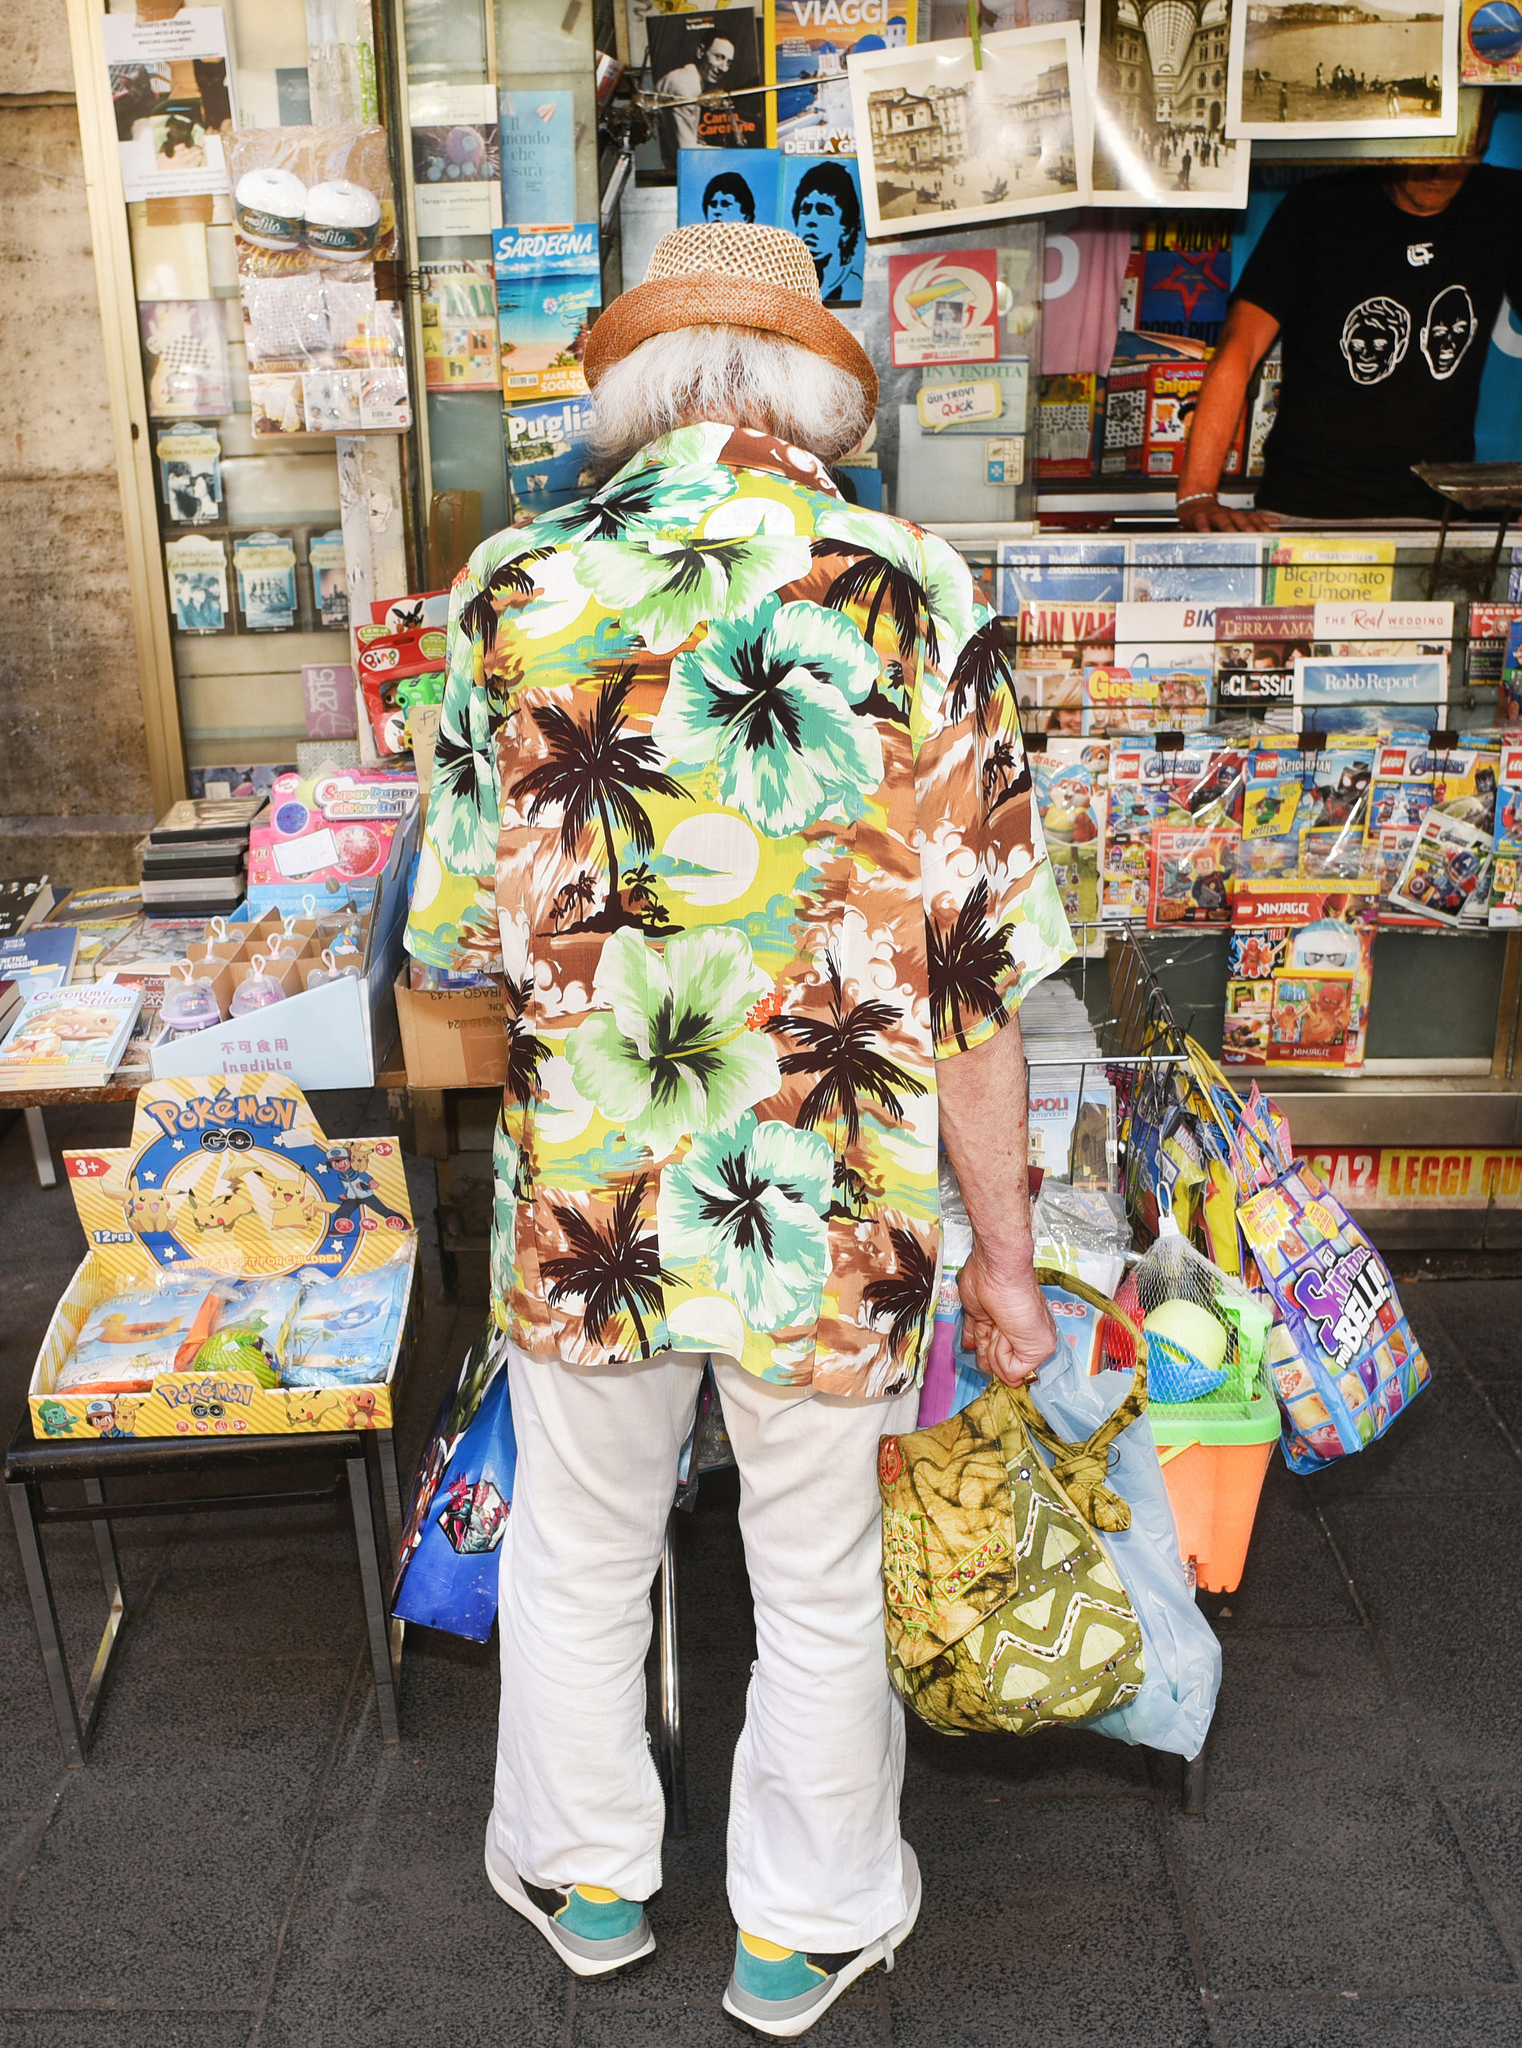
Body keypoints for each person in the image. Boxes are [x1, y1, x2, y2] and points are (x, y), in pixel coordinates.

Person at [406, 221, 1069, 2039]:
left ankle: (590, 1877)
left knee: (580, 1540)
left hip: (593, 1197)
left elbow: (456, 936)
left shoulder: (511, 590)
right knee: (817, 1565)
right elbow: (973, 984)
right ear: (814, 393)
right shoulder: (909, 586)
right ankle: (802, 1923)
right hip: (832, 1202)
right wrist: (1008, 1266)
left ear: (633, 392)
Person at [1174, 157, 1522, 529]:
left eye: (1456, 156)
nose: (1438, 172)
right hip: (1302, 507)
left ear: (1481, 137)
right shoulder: (1320, 206)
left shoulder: (1503, 202)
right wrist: (1196, 495)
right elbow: (1240, 346)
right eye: (1429, 155)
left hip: (1436, 515)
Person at [655, 31, 738, 166]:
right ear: (700, 52)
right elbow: (687, 153)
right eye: (718, 57)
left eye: (728, 62)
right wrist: (731, 155)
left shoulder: (689, 80)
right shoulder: (684, 87)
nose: (724, 68)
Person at [789, 160, 864, 304]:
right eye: (805, 210)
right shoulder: (785, 287)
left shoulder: (852, 288)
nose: (811, 220)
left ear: (846, 228)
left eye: (824, 211)